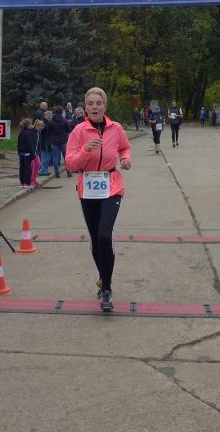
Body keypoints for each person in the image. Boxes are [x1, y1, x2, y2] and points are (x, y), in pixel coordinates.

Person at [65, 87, 131, 312]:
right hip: (88, 188)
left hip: (111, 186)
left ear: (105, 106)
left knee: (104, 236)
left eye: (98, 103)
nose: (94, 107)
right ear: (85, 107)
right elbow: (70, 164)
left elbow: (124, 148)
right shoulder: (78, 131)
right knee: (96, 240)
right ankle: (103, 280)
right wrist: (85, 150)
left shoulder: (116, 128)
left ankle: (107, 289)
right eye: (90, 103)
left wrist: (125, 159)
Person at [48, 105, 72, 177]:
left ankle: (57, 173)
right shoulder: (64, 121)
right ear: (61, 112)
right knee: (66, 157)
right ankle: (68, 172)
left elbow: (48, 132)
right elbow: (68, 130)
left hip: (54, 141)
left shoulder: (51, 121)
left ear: (55, 112)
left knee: (55, 157)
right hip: (63, 140)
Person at [17, 118, 38, 187]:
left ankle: (22, 182)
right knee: (27, 168)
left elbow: (18, 144)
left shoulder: (21, 132)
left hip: (21, 153)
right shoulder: (29, 133)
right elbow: (30, 144)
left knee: (22, 167)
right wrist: (33, 154)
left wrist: (19, 152)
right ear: (29, 125)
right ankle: (26, 182)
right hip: (27, 153)